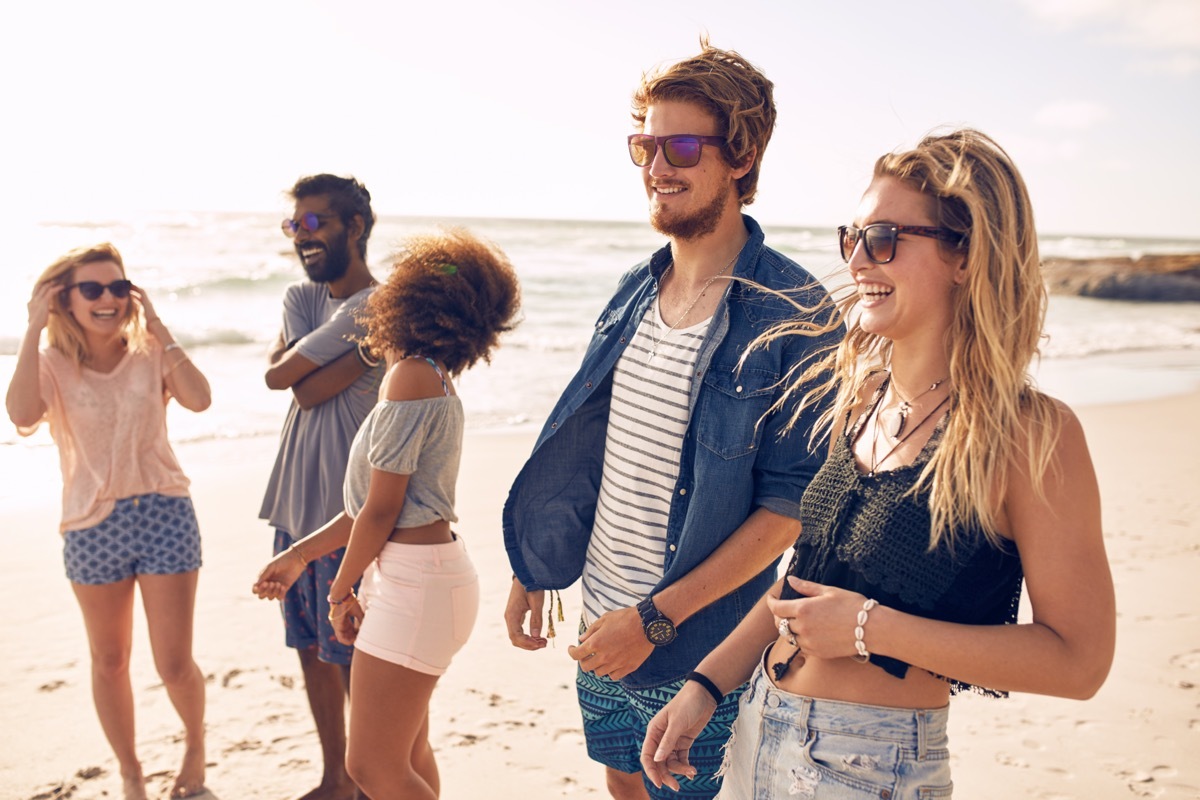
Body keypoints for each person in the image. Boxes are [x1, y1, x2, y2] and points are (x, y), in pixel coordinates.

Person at [639, 129, 1117, 799]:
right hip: (759, 727)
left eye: (885, 238)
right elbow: (801, 585)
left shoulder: (1032, 434)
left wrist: (869, 628)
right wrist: (705, 685)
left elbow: (1080, 662)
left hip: (869, 767)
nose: (859, 260)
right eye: (852, 236)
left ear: (965, 255)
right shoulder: (862, 399)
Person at [503, 44, 837, 800]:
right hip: (601, 620)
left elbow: (790, 510)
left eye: (682, 145)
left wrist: (653, 621)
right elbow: (592, 449)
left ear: (741, 157)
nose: (658, 165)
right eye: (645, 146)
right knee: (622, 783)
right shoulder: (632, 289)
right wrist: (538, 567)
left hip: (698, 643)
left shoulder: (794, 313)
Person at [253, 227, 521, 799]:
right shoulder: (430, 378)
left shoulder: (412, 376)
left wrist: (339, 592)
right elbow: (365, 512)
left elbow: (380, 512)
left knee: (372, 767)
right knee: (408, 754)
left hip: (415, 584)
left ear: (411, 306)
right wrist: (301, 557)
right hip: (417, 577)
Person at [6, 243, 212, 800]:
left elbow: (199, 399)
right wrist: (31, 327)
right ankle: (131, 770)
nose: (107, 299)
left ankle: (195, 746)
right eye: (91, 289)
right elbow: (22, 415)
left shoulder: (150, 353)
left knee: (173, 663)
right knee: (110, 660)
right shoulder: (50, 363)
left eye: (118, 288)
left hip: (165, 511)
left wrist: (161, 327)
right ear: (64, 300)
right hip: (90, 525)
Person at [258, 173, 383, 800]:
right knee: (309, 647)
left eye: (315, 224)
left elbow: (295, 382)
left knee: (356, 654)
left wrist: (339, 361)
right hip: (293, 507)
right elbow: (285, 377)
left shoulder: (379, 306)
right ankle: (336, 778)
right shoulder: (301, 297)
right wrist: (356, 358)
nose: (302, 237)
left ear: (354, 227)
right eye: (294, 225)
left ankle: (369, 778)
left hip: (346, 512)